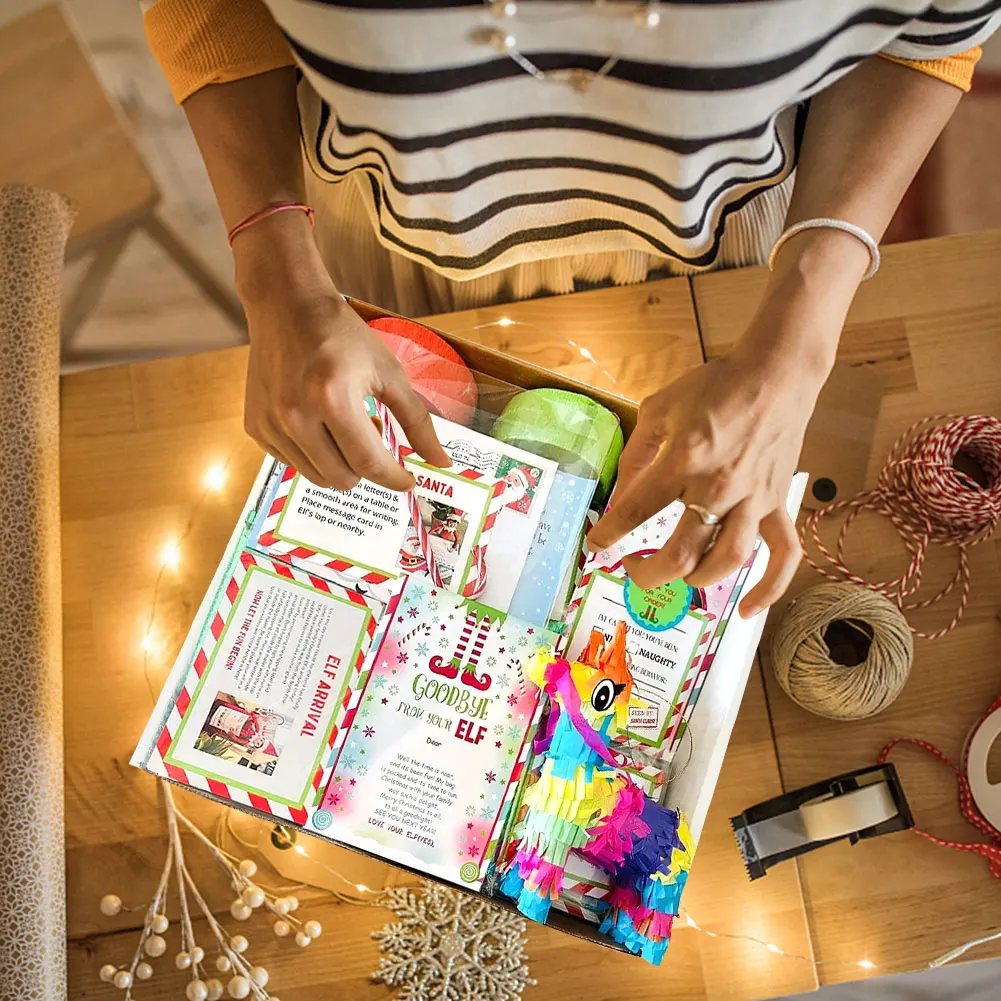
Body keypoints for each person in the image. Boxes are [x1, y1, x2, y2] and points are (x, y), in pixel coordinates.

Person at [144, 0, 997, 615]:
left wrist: (802, 338)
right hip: (397, 242)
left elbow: (932, 23)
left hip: (734, 258)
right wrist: (274, 275)